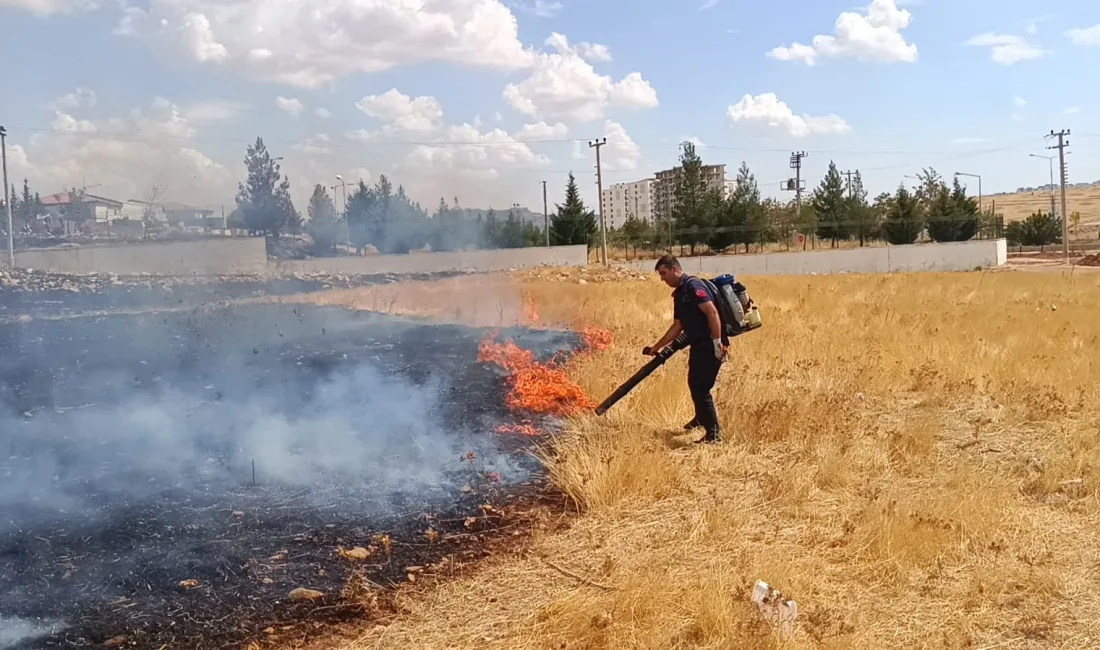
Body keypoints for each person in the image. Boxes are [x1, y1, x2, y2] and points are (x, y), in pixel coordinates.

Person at [644, 254, 728, 444]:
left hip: (711, 345)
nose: (663, 279)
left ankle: (713, 435)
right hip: (698, 345)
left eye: (664, 273)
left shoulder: (693, 286)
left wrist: (717, 343)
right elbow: (678, 326)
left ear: (675, 269)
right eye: (660, 275)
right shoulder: (680, 293)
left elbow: (712, 313)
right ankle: (700, 418)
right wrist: (656, 347)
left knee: (701, 388)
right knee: (694, 382)